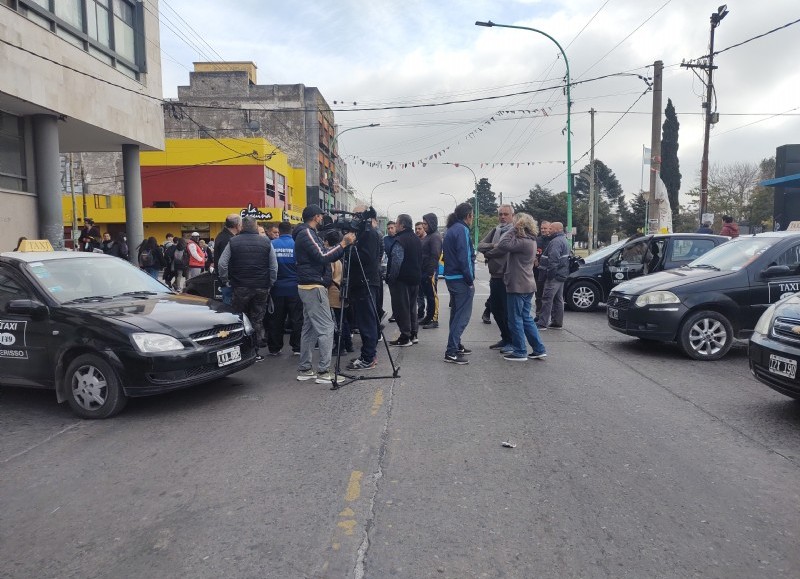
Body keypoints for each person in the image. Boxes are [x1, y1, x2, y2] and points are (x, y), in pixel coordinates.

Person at [293, 204, 356, 384]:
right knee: (327, 328)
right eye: (320, 216)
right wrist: (344, 243)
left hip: (308, 285)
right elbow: (322, 256)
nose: (322, 219)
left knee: (310, 328)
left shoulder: (306, 234)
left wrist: (340, 247)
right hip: (314, 287)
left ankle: (305, 369)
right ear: (315, 217)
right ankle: (323, 372)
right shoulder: (306, 233)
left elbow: (325, 254)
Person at [217, 215, 278, 362]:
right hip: (261, 287)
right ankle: (255, 351)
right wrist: (270, 282)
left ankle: (240, 350)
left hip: (240, 286)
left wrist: (226, 280)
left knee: (238, 318)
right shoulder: (266, 242)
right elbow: (274, 267)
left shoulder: (233, 241)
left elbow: (222, 264)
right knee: (257, 319)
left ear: (242, 227)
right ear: (256, 226)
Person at [492, 213, 547, 361]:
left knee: (515, 319)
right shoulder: (531, 240)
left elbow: (503, 245)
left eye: (515, 224)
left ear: (521, 226)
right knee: (526, 318)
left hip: (518, 285)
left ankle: (520, 351)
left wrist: (513, 229)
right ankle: (538, 348)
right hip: (527, 284)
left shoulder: (522, 242)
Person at [346, 207, 384, 370]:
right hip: (363, 282)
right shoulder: (366, 232)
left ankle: (368, 358)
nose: (354, 218)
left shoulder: (369, 233)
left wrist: (347, 247)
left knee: (367, 322)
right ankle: (367, 355)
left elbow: (366, 258)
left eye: (356, 215)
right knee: (365, 321)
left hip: (365, 282)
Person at [442, 202, 476, 364]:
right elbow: (465, 258)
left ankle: (456, 345)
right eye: (472, 215)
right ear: (469, 216)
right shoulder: (462, 230)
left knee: (456, 315)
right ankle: (452, 351)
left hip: (451, 278)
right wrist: (470, 280)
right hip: (461, 279)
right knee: (462, 316)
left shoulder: (451, 229)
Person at [478, 204, 515, 350]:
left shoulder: (514, 231)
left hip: (507, 277)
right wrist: (493, 246)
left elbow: (503, 250)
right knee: (495, 308)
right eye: (500, 214)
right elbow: (480, 246)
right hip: (494, 276)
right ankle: (505, 338)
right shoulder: (496, 229)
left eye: (506, 214)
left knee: (507, 312)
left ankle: (511, 341)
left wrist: (488, 253)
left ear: (512, 215)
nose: (503, 217)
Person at [267, 220, 303, 356]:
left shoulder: (272, 244)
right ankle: (297, 347)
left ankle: (275, 347)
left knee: (276, 319)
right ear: (291, 231)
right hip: (294, 288)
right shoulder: (296, 245)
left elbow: (269, 266)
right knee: (296, 319)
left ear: (279, 231)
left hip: (277, 288)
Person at [386, 214, 422, 347]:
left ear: (402, 225)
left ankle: (405, 336)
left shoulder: (400, 240)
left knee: (402, 308)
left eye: (396, 223)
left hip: (402, 280)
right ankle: (413, 334)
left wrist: (391, 278)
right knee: (412, 308)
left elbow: (396, 262)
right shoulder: (416, 239)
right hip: (415, 279)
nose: (395, 226)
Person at [324, 230, 354, 356]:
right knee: (344, 321)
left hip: (333, 293)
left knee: (336, 323)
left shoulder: (331, 257)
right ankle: (348, 344)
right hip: (343, 291)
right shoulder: (344, 254)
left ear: (326, 242)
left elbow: (328, 277)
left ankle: (340, 347)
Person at [537, 221, 570, 330]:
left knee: (547, 299)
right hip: (561, 275)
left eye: (551, 229)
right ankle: (557, 322)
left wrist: (550, 275)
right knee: (558, 299)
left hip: (554, 276)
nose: (548, 231)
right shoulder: (563, 240)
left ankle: (542, 323)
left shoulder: (555, 242)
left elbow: (554, 260)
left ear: (557, 230)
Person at [213, 214, 242, 305]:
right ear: (237, 225)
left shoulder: (222, 235)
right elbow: (224, 263)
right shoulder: (228, 239)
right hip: (229, 282)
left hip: (227, 281)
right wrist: (226, 280)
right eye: (241, 224)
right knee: (230, 310)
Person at [420, 212, 442, 329]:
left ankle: (434, 319)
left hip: (430, 271)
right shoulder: (428, 236)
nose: (424, 226)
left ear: (431, 223)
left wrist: (430, 272)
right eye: (423, 223)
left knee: (433, 296)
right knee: (428, 295)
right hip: (424, 271)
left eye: (425, 223)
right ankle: (428, 317)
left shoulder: (435, 236)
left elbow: (435, 255)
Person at [534, 221, 551, 314]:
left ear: (550, 229)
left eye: (545, 228)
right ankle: (538, 314)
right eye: (542, 228)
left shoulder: (553, 241)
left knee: (548, 297)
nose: (543, 230)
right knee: (538, 295)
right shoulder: (537, 240)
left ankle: (547, 316)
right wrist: (533, 258)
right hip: (537, 272)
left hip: (549, 273)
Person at [414, 221, 427, 318]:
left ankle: (431, 315)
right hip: (417, 272)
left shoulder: (428, 240)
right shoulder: (414, 240)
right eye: (416, 229)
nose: (417, 231)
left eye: (419, 228)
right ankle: (420, 312)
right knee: (419, 295)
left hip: (427, 272)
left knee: (429, 295)